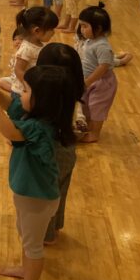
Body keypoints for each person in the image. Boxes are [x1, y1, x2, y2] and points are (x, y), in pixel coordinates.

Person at [0, 66, 76, 280]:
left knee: (33, 244)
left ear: (43, 101)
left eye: (26, 90)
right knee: (26, 235)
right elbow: (13, 104)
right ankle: (26, 270)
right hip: (30, 194)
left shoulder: (38, 128)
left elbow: (9, 130)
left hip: (37, 198)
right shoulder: (36, 116)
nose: (21, 94)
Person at [36, 43, 85, 244]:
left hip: (49, 152)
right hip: (67, 148)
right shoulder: (71, 92)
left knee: (42, 199)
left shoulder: (46, 98)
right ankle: (54, 228)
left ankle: (44, 236)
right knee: (58, 194)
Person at [77, 3, 118, 143]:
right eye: (81, 26)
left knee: (97, 108)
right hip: (89, 80)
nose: (81, 29)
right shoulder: (90, 40)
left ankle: (95, 133)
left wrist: (87, 82)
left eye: (85, 26)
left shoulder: (102, 46)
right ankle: (88, 126)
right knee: (85, 105)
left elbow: (103, 67)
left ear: (99, 28)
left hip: (102, 83)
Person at [2, 7, 58, 95]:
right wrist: (29, 87)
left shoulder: (39, 43)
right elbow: (18, 70)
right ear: (37, 30)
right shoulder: (26, 49)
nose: (53, 32)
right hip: (23, 91)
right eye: (51, 29)